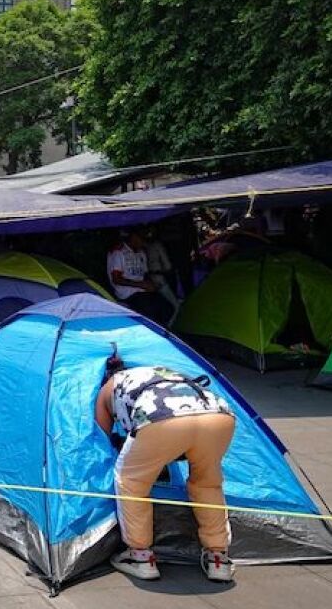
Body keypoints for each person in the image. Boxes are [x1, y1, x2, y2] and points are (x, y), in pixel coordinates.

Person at [95, 353, 237, 583]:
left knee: (131, 481)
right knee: (207, 483)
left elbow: (101, 436)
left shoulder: (107, 389)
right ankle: (218, 558)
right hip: (217, 414)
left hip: (161, 419)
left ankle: (140, 557)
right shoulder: (159, 372)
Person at [107, 230, 172, 325]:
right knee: (152, 310)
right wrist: (141, 285)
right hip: (127, 293)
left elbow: (144, 274)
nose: (144, 242)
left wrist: (151, 284)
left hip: (141, 290)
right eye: (142, 239)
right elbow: (116, 279)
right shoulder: (118, 252)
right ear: (134, 237)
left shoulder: (141, 253)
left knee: (167, 308)